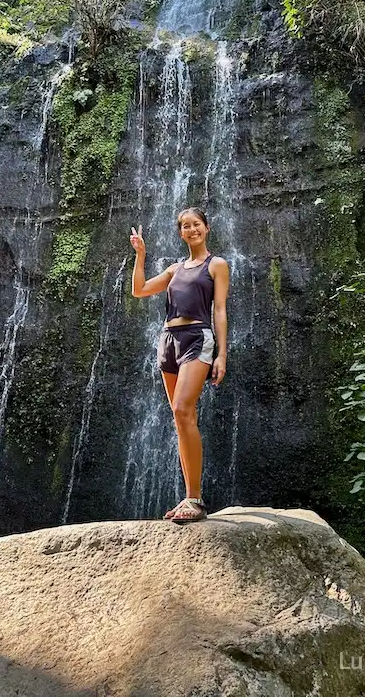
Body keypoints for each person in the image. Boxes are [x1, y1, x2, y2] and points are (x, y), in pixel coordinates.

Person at [130, 207, 229, 524]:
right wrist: (141, 254)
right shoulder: (174, 269)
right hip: (168, 339)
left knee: (182, 410)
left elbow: (220, 311)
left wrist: (222, 355)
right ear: (181, 232)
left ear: (206, 228)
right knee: (181, 416)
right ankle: (188, 496)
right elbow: (139, 290)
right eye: (185, 226)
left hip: (198, 338)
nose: (191, 230)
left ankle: (195, 499)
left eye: (196, 224)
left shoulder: (217, 265)